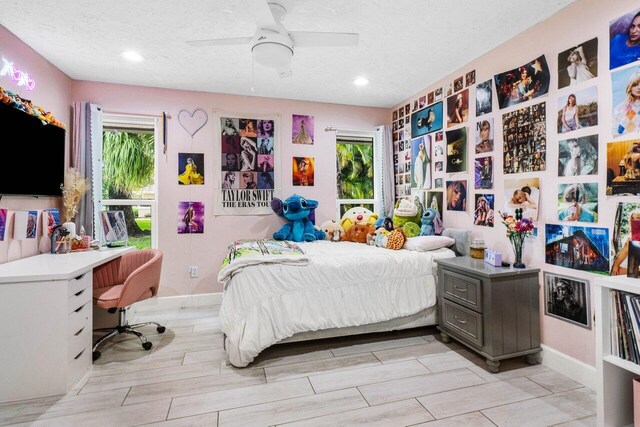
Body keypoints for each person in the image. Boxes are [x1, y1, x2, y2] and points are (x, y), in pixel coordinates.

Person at [613, 70, 640, 136]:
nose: (639, 87)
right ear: (630, 87)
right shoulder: (620, 108)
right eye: (635, 84)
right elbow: (616, 131)